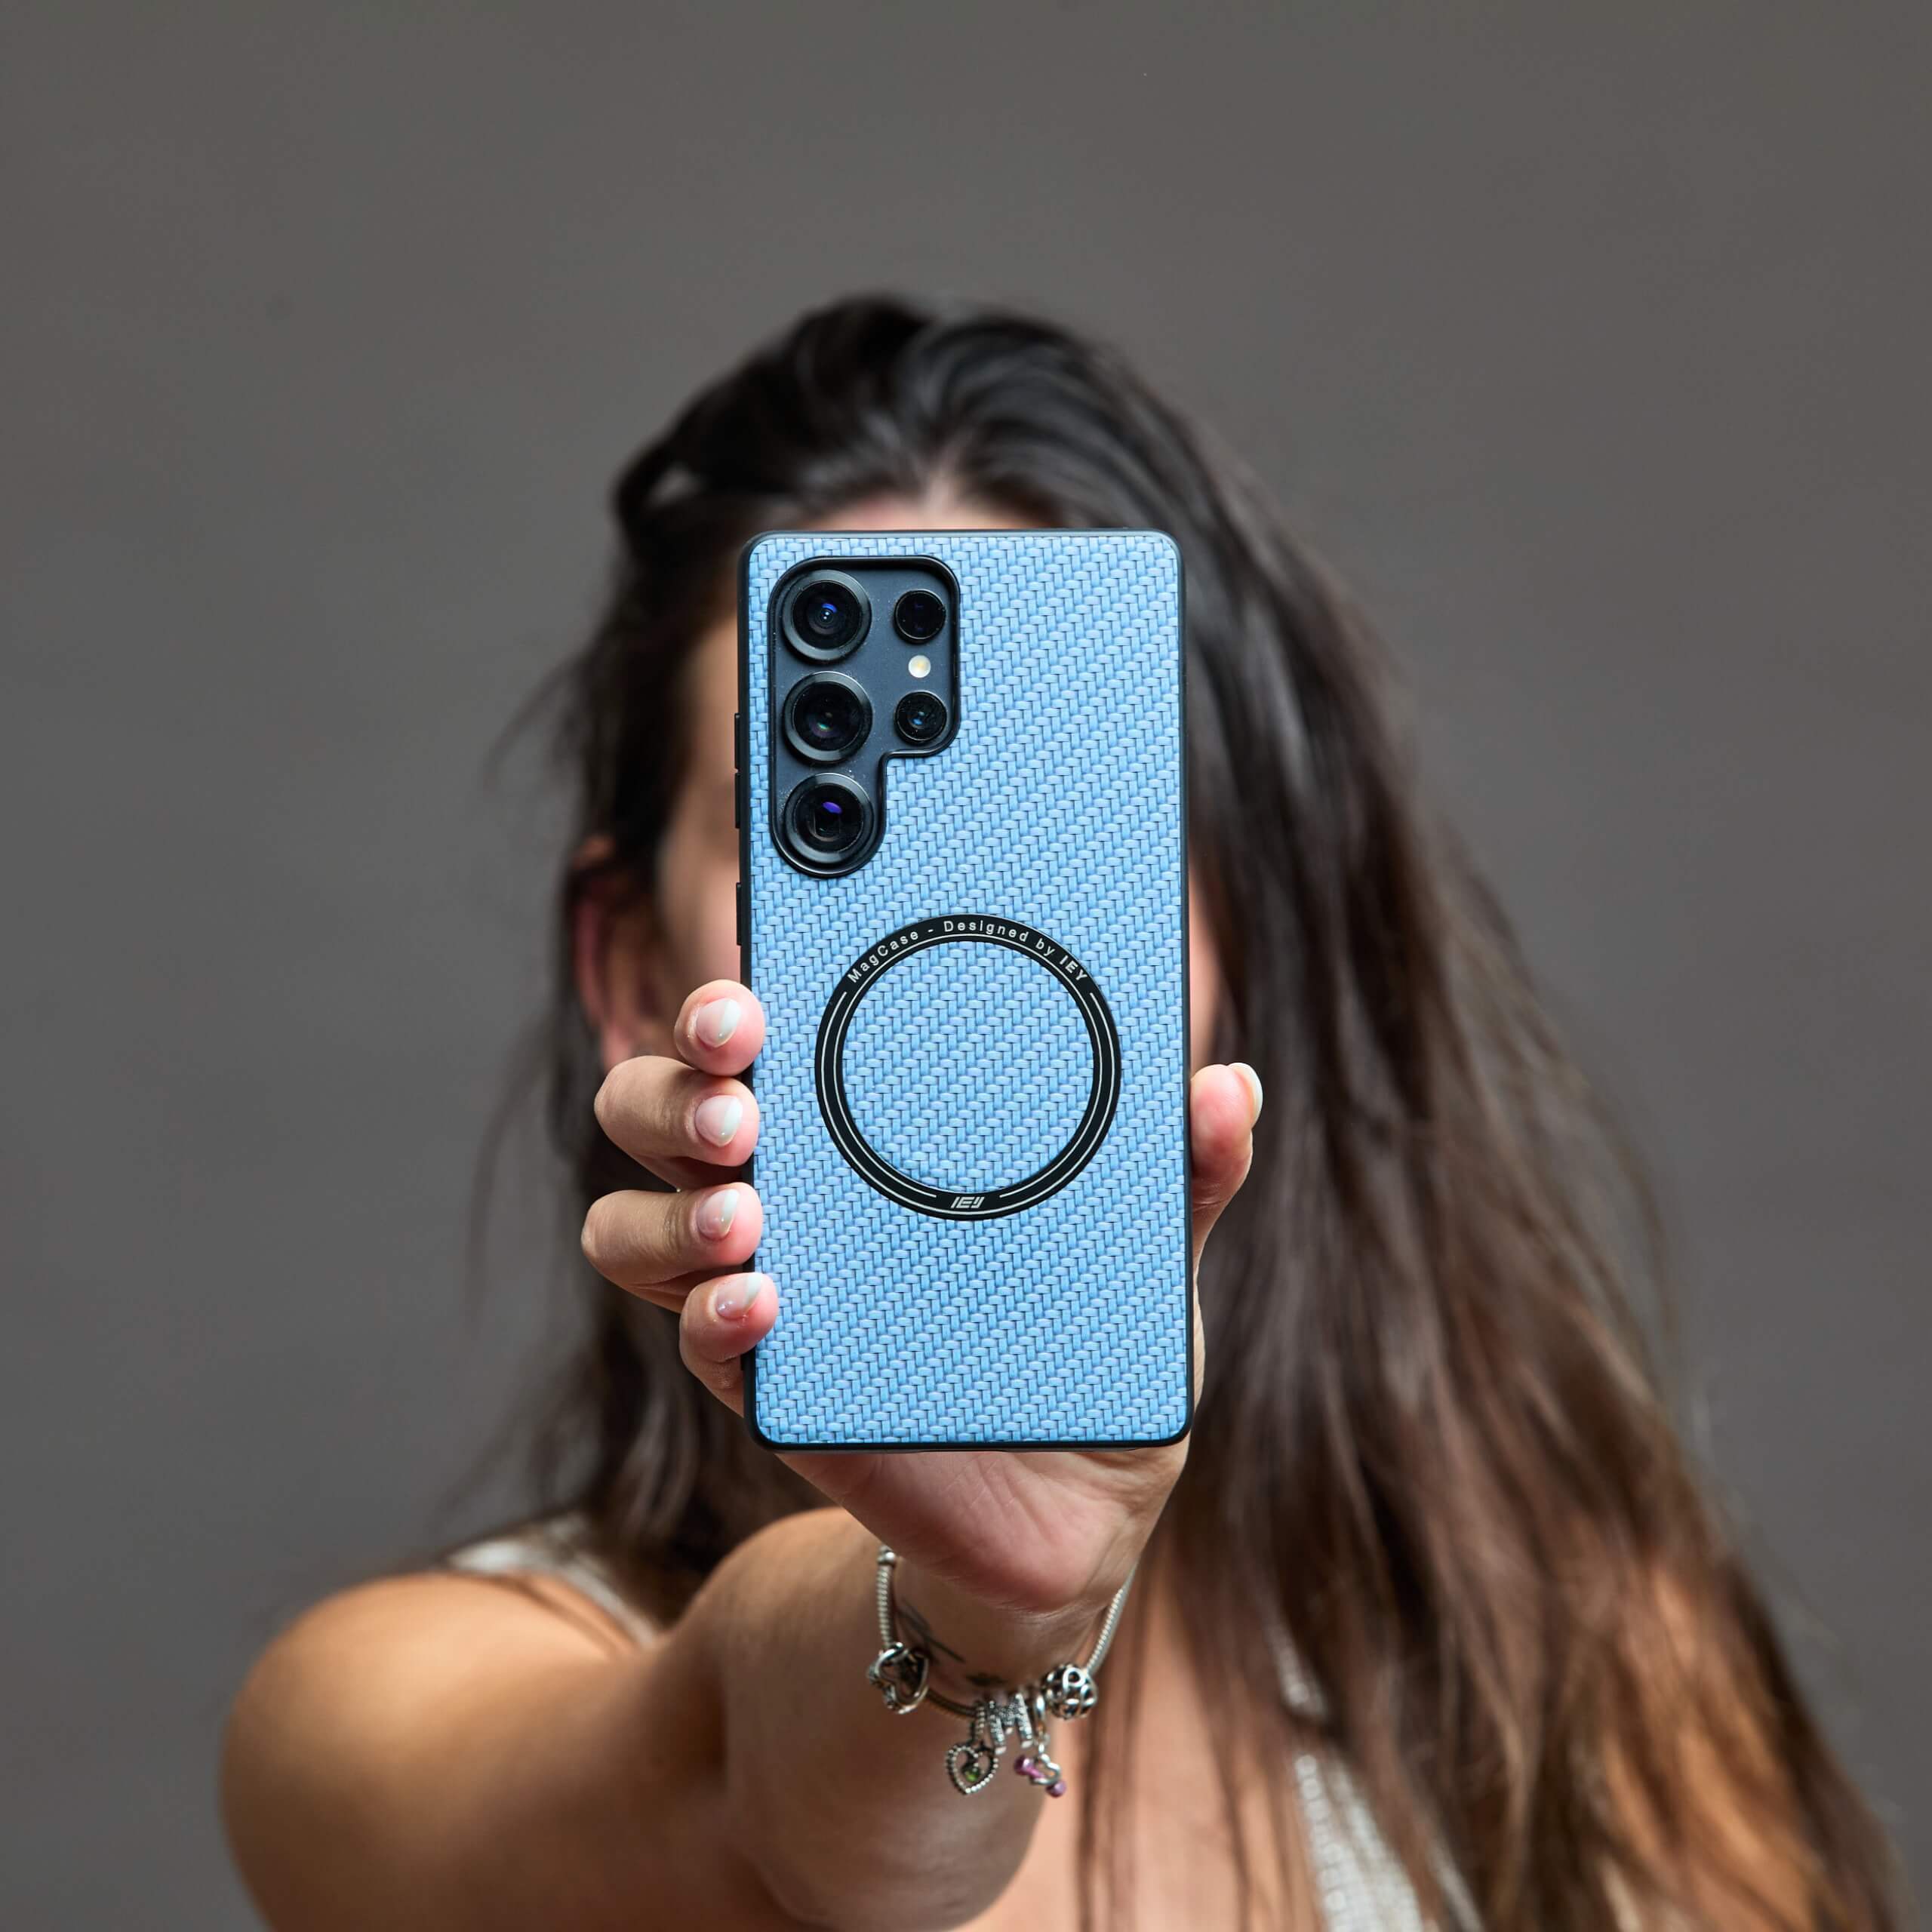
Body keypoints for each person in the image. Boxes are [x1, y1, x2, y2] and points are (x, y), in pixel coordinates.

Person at [222, 297, 1900, 1930]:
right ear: (628, 961)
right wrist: (983, 1610)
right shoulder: (381, 1713)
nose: (958, 951)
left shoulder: (1568, 1657)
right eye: (829, 840)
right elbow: (752, 1804)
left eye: (1061, 827)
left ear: (1250, 924)